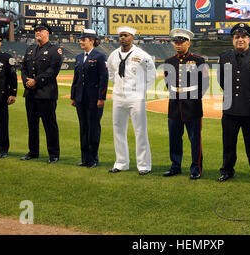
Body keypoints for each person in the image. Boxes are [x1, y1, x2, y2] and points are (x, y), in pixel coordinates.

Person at [217, 23, 250, 184]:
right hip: (229, 107)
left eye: (243, 36)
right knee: (228, 143)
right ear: (233, 40)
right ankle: (227, 170)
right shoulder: (224, 57)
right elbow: (221, 81)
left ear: (249, 39)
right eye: (236, 37)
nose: (240, 39)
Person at [107, 26, 157, 175]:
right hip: (118, 97)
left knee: (140, 131)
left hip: (136, 98)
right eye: (121, 35)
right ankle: (121, 162)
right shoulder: (113, 55)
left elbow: (152, 74)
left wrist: (140, 89)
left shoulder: (141, 55)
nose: (123, 38)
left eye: (126, 35)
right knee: (118, 130)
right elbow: (111, 73)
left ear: (132, 37)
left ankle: (144, 165)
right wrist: (118, 86)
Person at [163, 28, 210, 180]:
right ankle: (175, 166)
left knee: (195, 140)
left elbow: (205, 82)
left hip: (192, 106)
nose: (178, 45)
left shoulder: (198, 60)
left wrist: (194, 98)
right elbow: (167, 82)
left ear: (188, 43)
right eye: (176, 42)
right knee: (174, 139)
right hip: (175, 106)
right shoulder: (169, 61)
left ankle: (196, 168)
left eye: (181, 42)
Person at [20, 23, 63, 164]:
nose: (37, 33)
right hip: (31, 93)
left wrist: (36, 81)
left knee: (49, 125)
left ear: (47, 33)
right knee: (32, 125)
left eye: (41, 31)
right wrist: (26, 80)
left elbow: (52, 71)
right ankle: (33, 152)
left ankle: (53, 154)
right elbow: (23, 68)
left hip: (46, 93)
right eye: (36, 31)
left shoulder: (54, 50)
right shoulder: (30, 49)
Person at [71, 29, 108, 168]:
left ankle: (93, 159)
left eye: (83, 39)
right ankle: (85, 158)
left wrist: (101, 97)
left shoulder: (100, 56)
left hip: (94, 99)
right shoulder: (79, 57)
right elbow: (76, 78)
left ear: (92, 41)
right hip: (81, 98)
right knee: (83, 128)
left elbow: (103, 78)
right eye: (81, 39)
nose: (81, 42)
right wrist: (73, 96)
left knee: (93, 129)